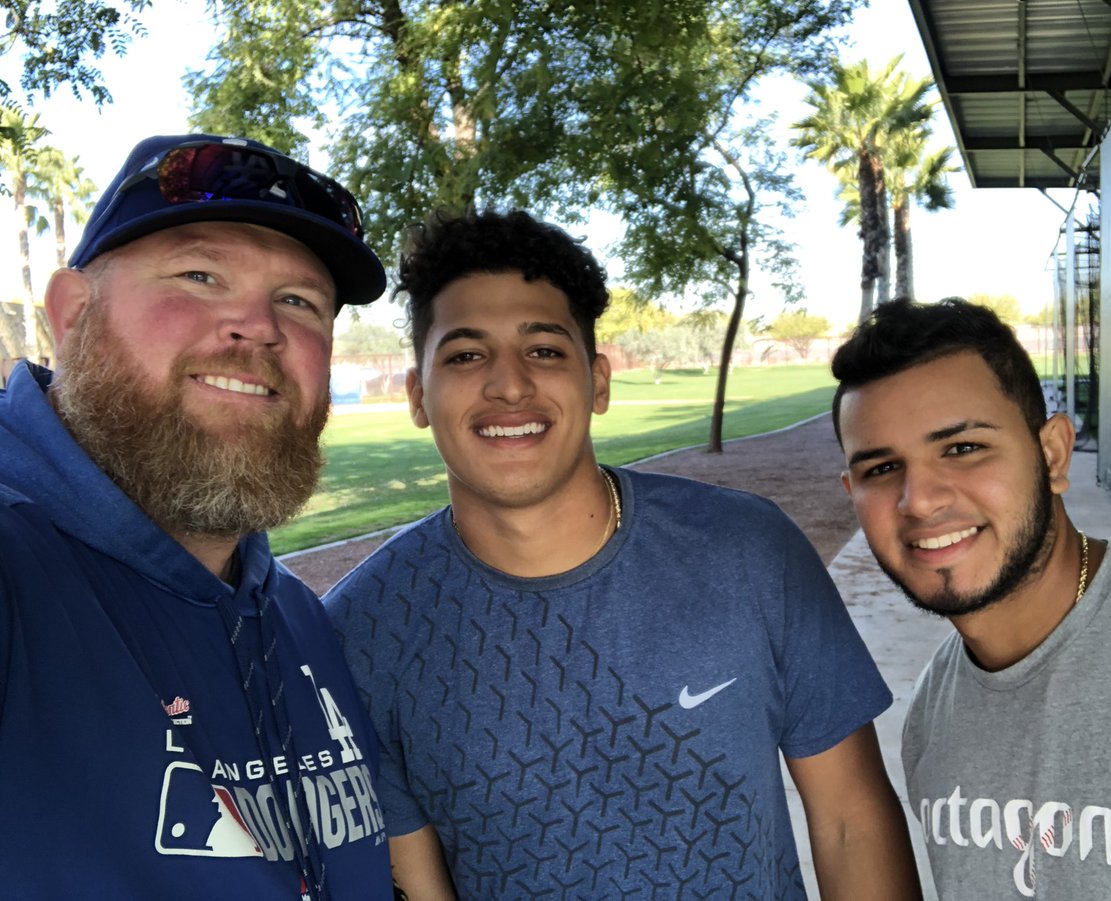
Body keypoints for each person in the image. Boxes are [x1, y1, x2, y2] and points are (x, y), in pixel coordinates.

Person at [323, 209, 922, 899]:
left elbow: (852, 822)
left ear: (598, 381)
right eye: (465, 354)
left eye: (544, 349)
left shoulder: (749, 551)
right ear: (416, 395)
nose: (509, 383)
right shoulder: (363, 629)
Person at [0, 134, 395, 899]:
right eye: (201, 273)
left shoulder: (295, 615)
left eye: (299, 301)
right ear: (73, 312)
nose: (260, 326)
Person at [832, 297, 1111, 899]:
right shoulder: (934, 709)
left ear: (1052, 454)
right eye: (881, 469)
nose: (919, 500)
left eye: (963, 448)